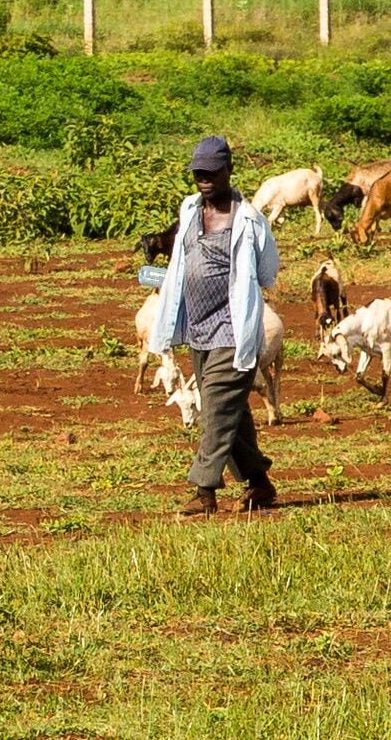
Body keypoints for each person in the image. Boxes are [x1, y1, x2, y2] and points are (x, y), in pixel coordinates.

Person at [144, 134, 278, 515]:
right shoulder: (189, 210)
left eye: (211, 172)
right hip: (198, 330)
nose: (204, 179)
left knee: (216, 409)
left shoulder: (249, 219)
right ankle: (259, 483)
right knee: (230, 411)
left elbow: (267, 273)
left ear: (228, 170)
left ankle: (204, 490)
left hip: (233, 330)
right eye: (198, 172)